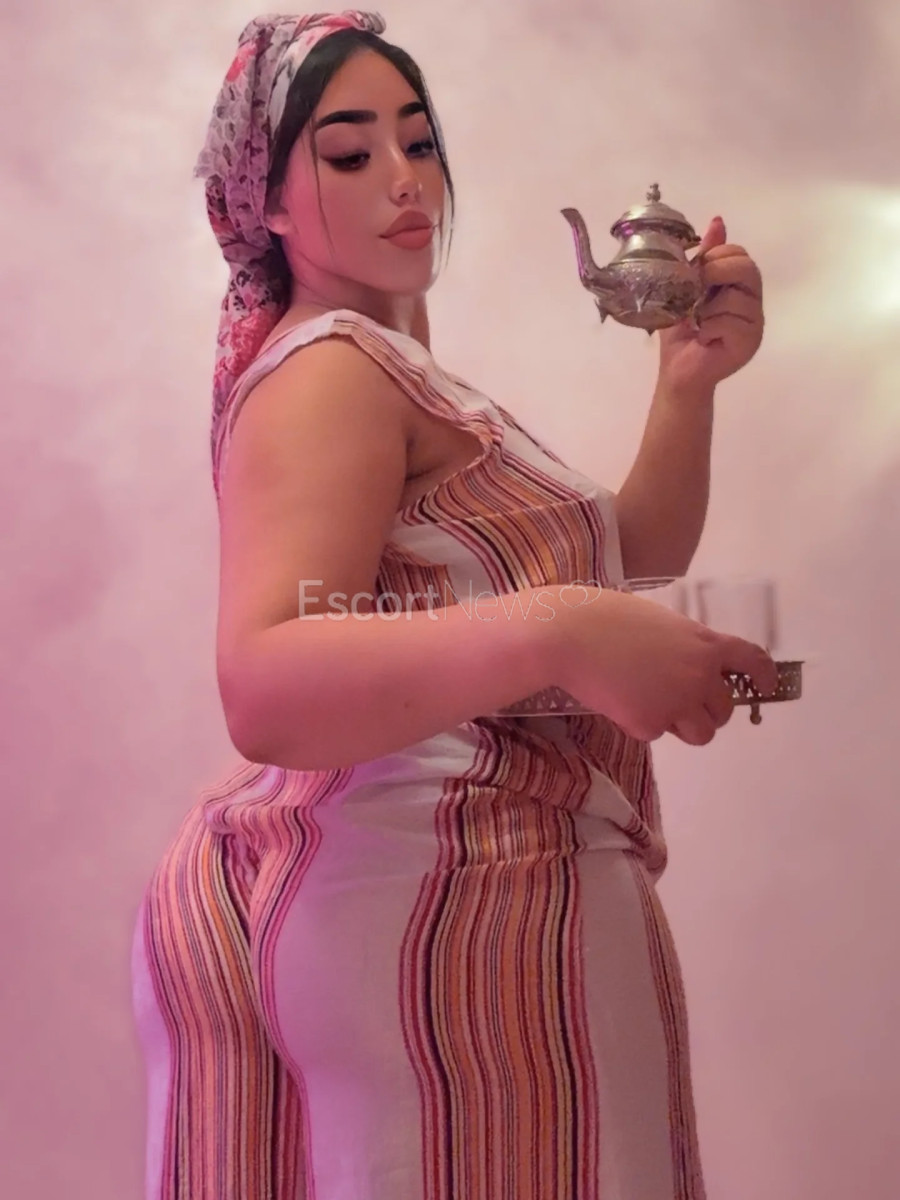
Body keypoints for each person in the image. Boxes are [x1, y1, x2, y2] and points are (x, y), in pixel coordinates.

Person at [130, 11, 776, 1200]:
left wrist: (686, 386)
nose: (405, 180)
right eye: (349, 152)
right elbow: (267, 683)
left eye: (419, 142)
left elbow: (614, 564)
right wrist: (562, 633)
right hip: (450, 886)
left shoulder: (396, 369)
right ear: (263, 201)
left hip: (462, 891)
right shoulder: (331, 370)